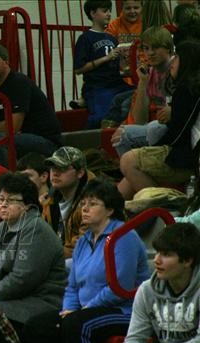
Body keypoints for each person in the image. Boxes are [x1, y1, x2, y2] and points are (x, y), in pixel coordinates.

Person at [22, 178, 150, 343]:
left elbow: (119, 287)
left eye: (93, 204)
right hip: (86, 309)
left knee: (77, 324)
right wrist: (69, 308)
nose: (85, 209)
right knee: (37, 325)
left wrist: (84, 309)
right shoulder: (82, 242)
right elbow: (72, 286)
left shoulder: (124, 237)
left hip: (124, 310)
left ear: (109, 209)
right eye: (83, 204)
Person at [0, 173, 67, 334]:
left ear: (27, 205)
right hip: (6, 297)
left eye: (11, 200)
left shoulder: (36, 230)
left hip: (36, 302)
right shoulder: (1, 227)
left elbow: (22, 280)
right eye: (1, 199)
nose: (3, 205)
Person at [117, 39, 200, 200]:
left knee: (128, 161)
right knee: (130, 174)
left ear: (186, 61)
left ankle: (164, 206)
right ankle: (112, 209)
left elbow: (178, 133)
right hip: (186, 150)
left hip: (190, 158)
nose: (172, 62)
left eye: (176, 57)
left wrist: (152, 148)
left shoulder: (188, 90)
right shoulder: (186, 87)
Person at [0, 44, 61, 164]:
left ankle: (6, 176)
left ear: (6, 62)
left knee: (0, 139)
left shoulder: (19, 82)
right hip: (17, 137)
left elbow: (12, 126)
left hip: (46, 141)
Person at [112, 25, 174, 157]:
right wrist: (143, 82)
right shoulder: (148, 73)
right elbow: (140, 120)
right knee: (120, 135)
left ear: (169, 48)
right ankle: (134, 168)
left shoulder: (177, 69)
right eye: (146, 48)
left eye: (155, 47)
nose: (150, 53)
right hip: (155, 126)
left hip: (174, 125)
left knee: (150, 129)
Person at [74, 0, 134, 129]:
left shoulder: (112, 38)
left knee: (138, 96)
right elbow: (78, 69)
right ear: (93, 13)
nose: (109, 14)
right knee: (100, 118)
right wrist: (106, 58)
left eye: (109, 11)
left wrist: (127, 66)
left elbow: (116, 68)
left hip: (117, 83)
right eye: (104, 11)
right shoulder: (85, 38)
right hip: (98, 86)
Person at [42, 146, 95, 259]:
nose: (55, 173)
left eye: (62, 168)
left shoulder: (93, 203)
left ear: (80, 173)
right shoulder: (49, 202)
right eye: (52, 168)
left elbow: (81, 249)